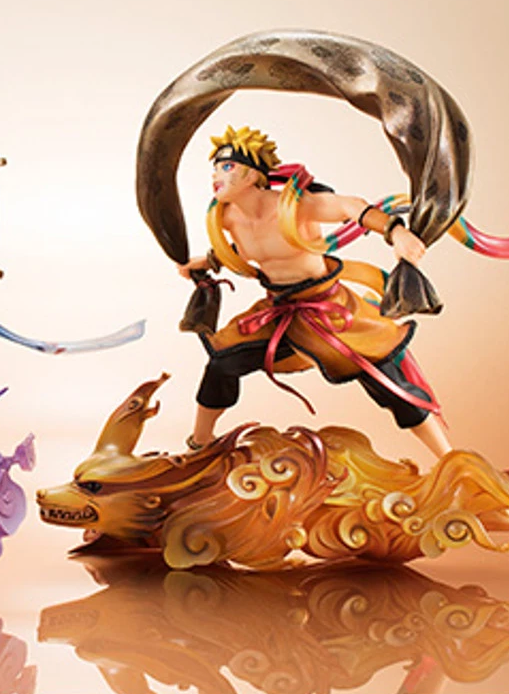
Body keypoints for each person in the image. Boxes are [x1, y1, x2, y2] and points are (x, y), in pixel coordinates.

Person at [180, 125, 451, 459]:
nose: (216, 176)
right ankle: (200, 444)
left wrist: (397, 233)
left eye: (226, 166)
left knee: (387, 381)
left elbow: (350, 207)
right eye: (215, 168)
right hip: (277, 309)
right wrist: (204, 262)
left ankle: (450, 458)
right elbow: (244, 250)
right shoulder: (226, 218)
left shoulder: (294, 206)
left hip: (328, 309)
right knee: (222, 362)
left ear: (251, 175)